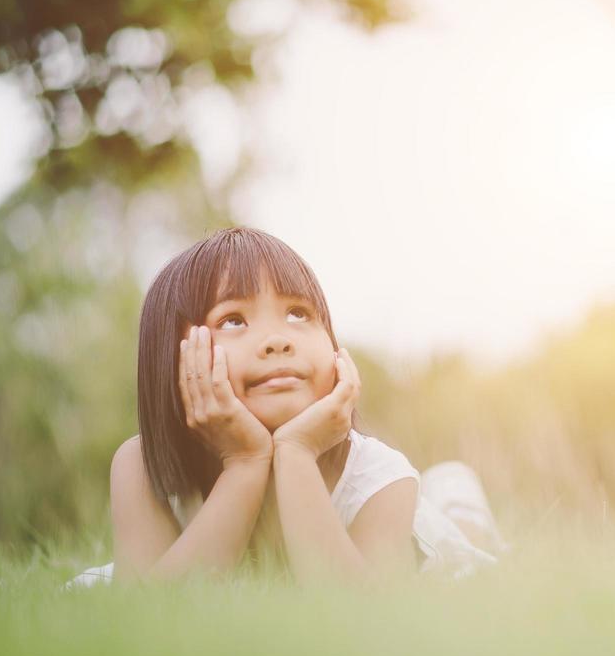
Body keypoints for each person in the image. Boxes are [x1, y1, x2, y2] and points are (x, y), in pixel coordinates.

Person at [65, 227, 505, 588]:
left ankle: (456, 494)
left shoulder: (380, 477)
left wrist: (295, 452)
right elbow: (149, 617)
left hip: (428, 545)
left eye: (298, 314)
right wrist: (244, 462)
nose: (279, 338)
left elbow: (363, 624)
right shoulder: (143, 467)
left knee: (459, 530)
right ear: (173, 356)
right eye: (233, 320)